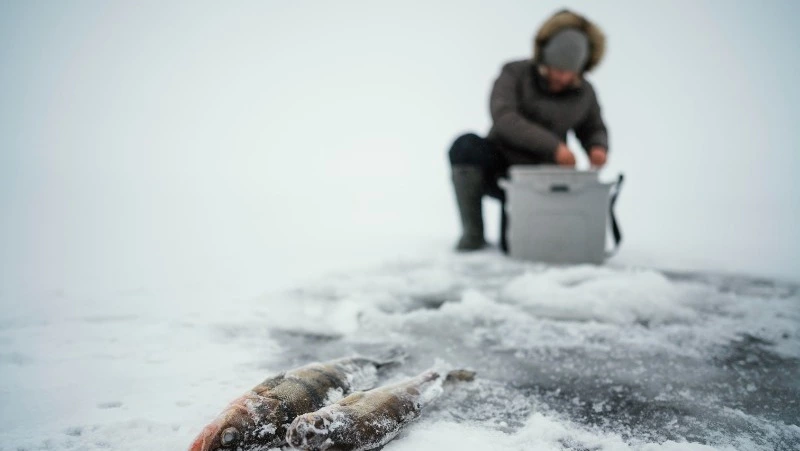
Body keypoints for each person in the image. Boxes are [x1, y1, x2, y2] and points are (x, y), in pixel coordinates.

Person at [448, 9, 609, 251]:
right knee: (465, 146)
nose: (561, 76)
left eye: (568, 72)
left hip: (542, 179)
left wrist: (598, 147)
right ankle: (473, 235)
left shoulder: (584, 93)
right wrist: (554, 147)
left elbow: (593, 126)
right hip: (500, 168)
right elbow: (503, 117)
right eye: (556, 68)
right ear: (544, 58)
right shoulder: (514, 74)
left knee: (516, 247)